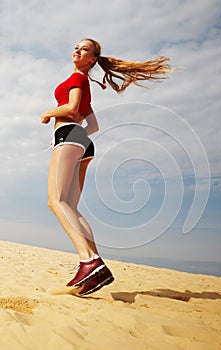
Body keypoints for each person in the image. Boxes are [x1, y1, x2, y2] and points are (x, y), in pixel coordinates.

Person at [41, 38, 174, 296]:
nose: (78, 51)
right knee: (70, 206)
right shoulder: (84, 84)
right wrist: (75, 136)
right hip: (81, 141)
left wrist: (50, 114)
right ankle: (95, 267)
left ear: (92, 59)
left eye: (85, 49)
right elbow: (93, 126)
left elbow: (70, 107)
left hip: (70, 137)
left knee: (55, 202)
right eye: (77, 47)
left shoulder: (78, 79)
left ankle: (88, 260)